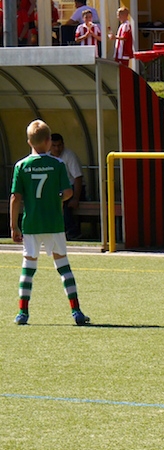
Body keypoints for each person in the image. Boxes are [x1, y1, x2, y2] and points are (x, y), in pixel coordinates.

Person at [10, 120, 90, 326]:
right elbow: (68, 192)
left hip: (32, 225)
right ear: (48, 141)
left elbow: (15, 198)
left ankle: (22, 313)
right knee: (63, 266)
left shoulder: (21, 166)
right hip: (54, 223)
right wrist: (57, 197)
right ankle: (76, 311)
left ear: (29, 141)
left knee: (28, 267)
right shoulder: (58, 164)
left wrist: (13, 226)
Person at [49, 134, 84, 240]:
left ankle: (73, 232)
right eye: (54, 145)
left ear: (63, 145)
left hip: (72, 188)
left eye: (59, 145)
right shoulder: (46, 157)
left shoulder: (69, 156)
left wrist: (76, 198)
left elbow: (78, 178)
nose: (57, 149)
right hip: (55, 189)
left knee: (65, 202)